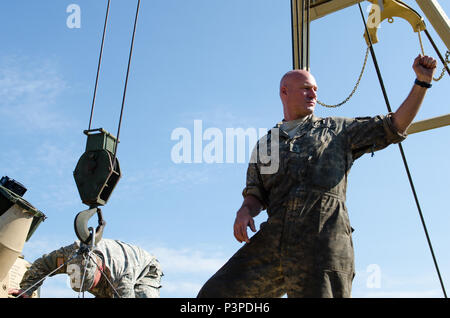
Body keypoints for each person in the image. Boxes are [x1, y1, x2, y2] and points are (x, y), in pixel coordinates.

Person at [197, 54, 437, 298]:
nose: (313, 94)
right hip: (275, 241)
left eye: (315, 89)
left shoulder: (337, 130)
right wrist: (245, 211)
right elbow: (256, 193)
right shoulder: (266, 145)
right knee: (215, 294)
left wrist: (422, 83)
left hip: (322, 243)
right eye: (305, 89)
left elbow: (394, 125)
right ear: (284, 92)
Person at [9, 238, 163, 298]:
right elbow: (41, 266)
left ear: (99, 269)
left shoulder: (121, 280)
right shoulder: (67, 257)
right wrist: (27, 289)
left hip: (145, 270)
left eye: (91, 285)